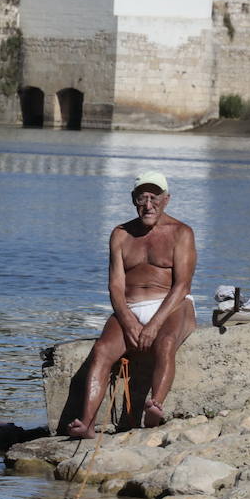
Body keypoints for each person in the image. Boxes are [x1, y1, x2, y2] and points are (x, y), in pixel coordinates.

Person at [66, 171, 197, 439]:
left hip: (171, 306)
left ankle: (155, 406)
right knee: (102, 350)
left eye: (154, 198)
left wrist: (154, 325)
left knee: (166, 341)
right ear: (133, 200)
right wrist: (128, 321)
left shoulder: (181, 233)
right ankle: (87, 424)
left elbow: (182, 285)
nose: (148, 205)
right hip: (131, 308)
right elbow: (115, 285)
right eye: (142, 198)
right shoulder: (121, 234)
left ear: (166, 199)